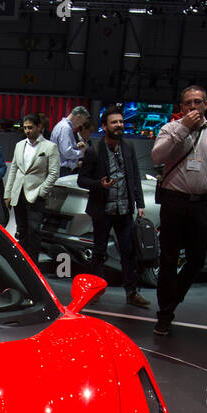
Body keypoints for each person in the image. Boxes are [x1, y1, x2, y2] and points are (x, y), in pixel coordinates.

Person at [150, 85, 207, 336]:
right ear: (181, 107)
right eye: (187, 103)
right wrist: (183, 127)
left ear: (206, 104)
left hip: (200, 203)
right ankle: (165, 313)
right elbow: (156, 157)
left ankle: (172, 299)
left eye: (197, 102)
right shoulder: (171, 128)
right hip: (174, 200)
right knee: (169, 259)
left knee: (197, 258)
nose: (192, 107)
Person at [77, 108, 148, 305]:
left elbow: (134, 177)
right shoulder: (94, 151)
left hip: (124, 209)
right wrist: (99, 184)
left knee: (128, 251)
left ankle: (131, 293)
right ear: (104, 126)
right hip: (103, 210)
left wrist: (140, 203)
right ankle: (93, 292)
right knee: (99, 252)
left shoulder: (128, 147)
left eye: (121, 122)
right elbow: (81, 180)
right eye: (114, 122)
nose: (119, 125)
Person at [2, 113, 60, 263]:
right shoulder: (19, 145)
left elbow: (54, 173)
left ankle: (33, 265)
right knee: (21, 230)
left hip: (36, 195)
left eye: (30, 127)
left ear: (39, 127)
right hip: (18, 193)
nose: (27, 131)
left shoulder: (49, 146)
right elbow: (13, 169)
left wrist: (42, 191)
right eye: (25, 128)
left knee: (34, 231)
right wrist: (7, 193)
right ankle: (21, 263)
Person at [51, 105, 90, 176]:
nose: (81, 125)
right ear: (78, 117)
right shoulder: (66, 128)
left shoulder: (62, 125)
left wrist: (76, 147)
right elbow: (67, 152)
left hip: (59, 168)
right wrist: (82, 153)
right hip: (62, 169)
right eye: (82, 122)